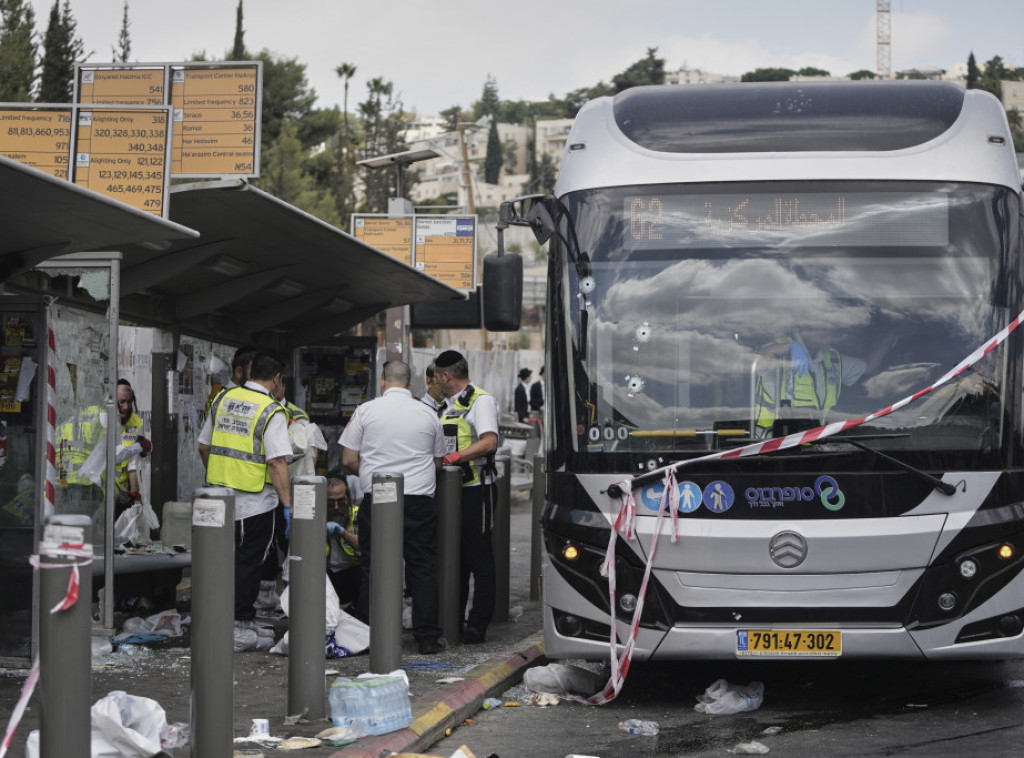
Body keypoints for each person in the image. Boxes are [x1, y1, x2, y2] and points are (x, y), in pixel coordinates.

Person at [340, 360, 446, 654]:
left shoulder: (366, 410)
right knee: (422, 566)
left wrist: (373, 468)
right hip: (419, 499)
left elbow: (348, 459)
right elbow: (437, 462)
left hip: (380, 497)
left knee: (374, 566)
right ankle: (426, 637)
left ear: (382, 383)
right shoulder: (428, 414)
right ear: (411, 385)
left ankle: (370, 634)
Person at [198, 350, 292, 652]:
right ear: (276, 378)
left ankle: (225, 621)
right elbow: (277, 463)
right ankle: (238, 625)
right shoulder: (271, 410)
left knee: (219, 563)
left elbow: (204, 446)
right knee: (248, 564)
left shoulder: (222, 399)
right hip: (253, 502)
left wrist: (220, 475)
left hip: (216, 499)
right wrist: (288, 505)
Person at [434, 349, 500, 644]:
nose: (435, 383)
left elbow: (489, 442)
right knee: (456, 559)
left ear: (446, 376)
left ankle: (477, 625)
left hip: (477, 490)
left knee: (479, 558)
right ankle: (455, 620)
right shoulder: (446, 407)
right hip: (452, 493)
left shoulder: (480, 400)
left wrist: (455, 457)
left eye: (437, 377)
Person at [114, 379, 152, 515]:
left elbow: (133, 463)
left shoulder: (135, 422)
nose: (126, 406)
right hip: (101, 488)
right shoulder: (104, 419)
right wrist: (138, 447)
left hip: (122, 492)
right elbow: (113, 456)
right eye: (122, 402)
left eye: (129, 402)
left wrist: (135, 494)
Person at [326, 476, 361, 609]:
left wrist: (343, 532)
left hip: (352, 573)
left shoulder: (357, 515)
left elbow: (364, 546)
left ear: (348, 499)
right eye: (330, 503)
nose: (336, 508)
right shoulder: (316, 517)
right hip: (326, 576)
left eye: (341, 502)